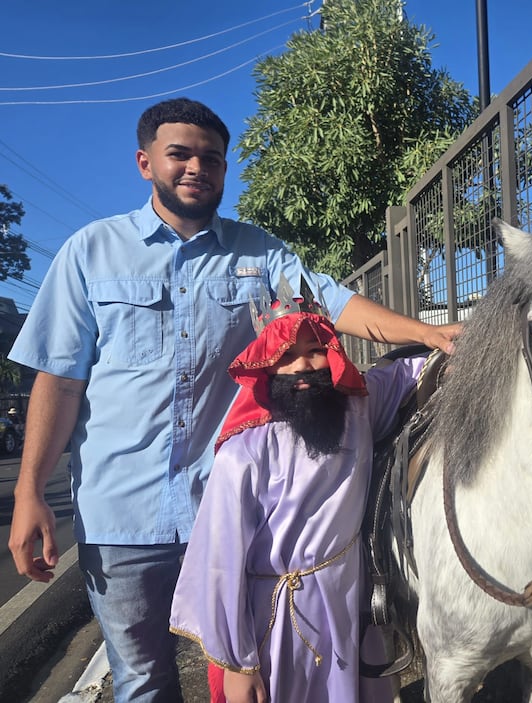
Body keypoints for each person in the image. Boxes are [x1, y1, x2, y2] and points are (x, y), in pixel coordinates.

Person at [6, 97, 457, 702]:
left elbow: (334, 304)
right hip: (122, 517)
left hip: (229, 513)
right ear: (146, 163)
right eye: (180, 154)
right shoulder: (90, 252)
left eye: (212, 158)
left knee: (241, 673)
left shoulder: (260, 254)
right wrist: (31, 490)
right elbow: (60, 381)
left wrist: (428, 334)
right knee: (141, 677)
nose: (197, 167)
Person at [170, 279, 419, 703]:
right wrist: (238, 664)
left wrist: (450, 338)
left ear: (333, 354)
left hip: (346, 599)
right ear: (267, 365)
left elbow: (411, 372)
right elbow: (218, 563)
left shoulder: (357, 410)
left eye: (315, 350)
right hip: (274, 618)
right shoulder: (243, 454)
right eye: (287, 355)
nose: (302, 365)